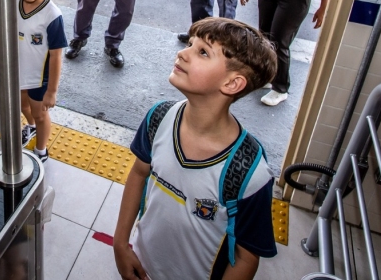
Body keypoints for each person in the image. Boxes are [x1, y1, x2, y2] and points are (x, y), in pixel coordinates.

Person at [113, 18, 278, 280]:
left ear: (232, 83)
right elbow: (139, 174)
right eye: (190, 44)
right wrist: (121, 243)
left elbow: (246, 257)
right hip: (142, 264)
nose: (183, 53)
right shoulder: (159, 118)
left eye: (202, 52)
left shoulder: (249, 170)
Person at [0, 0, 67, 161]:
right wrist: (0, 60)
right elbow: (9, 38)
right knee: (23, 106)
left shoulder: (52, 15)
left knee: (40, 114)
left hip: (40, 80)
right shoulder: (13, 4)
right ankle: (30, 127)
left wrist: (52, 91)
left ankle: (41, 150)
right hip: (18, 71)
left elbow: (56, 56)